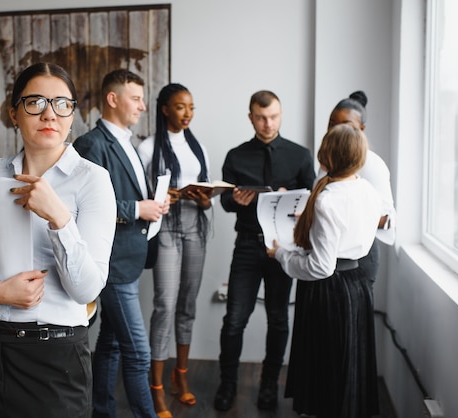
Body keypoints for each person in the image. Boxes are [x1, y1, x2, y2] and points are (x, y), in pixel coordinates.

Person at [0, 62, 116, 418]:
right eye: (35, 102)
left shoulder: (93, 180)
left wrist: (59, 218)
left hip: (55, 357)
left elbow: (86, 290)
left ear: (72, 114)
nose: (49, 113)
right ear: (14, 113)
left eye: (62, 103)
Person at [267, 123, 382, 418]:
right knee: (347, 367)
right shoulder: (368, 190)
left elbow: (320, 266)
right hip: (357, 285)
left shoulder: (328, 199)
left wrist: (281, 254)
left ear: (327, 155)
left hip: (329, 290)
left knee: (326, 368)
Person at [73, 69, 168, 418]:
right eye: (136, 98)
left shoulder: (128, 141)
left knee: (111, 345)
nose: (143, 106)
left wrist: (152, 204)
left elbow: (125, 195)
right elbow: (84, 204)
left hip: (130, 258)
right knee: (138, 353)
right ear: (113, 99)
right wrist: (137, 209)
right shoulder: (91, 145)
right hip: (111, 264)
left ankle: (102, 411)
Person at [214, 90, 315, 411]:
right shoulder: (235, 155)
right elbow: (226, 200)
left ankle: (269, 385)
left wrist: (293, 197)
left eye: (273, 116)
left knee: (278, 320)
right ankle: (227, 385)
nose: (267, 123)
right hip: (246, 245)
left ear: (281, 115)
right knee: (234, 320)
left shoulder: (300, 155)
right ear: (250, 117)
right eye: (260, 117)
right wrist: (236, 200)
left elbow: (313, 200)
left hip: (282, 249)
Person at [136, 83, 211, 418]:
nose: (187, 114)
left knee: (187, 304)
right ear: (165, 108)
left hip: (196, 227)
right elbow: (140, 192)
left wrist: (204, 197)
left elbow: (207, 191)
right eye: (181, 107)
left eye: (191, 107)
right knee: (164, 304)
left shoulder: (199, 148)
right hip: (165, 228)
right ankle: (156, 388)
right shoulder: (148, 147)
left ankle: (180, 378)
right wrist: (168, 196)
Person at [324, 91, 396, 287]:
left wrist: (333, 214)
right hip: (327, 255)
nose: (335, 131)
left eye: (344, 126)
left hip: (357, 259)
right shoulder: (327, 160)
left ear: (361, 129)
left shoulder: (371, 164)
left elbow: (386, 220)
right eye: (331, 124)